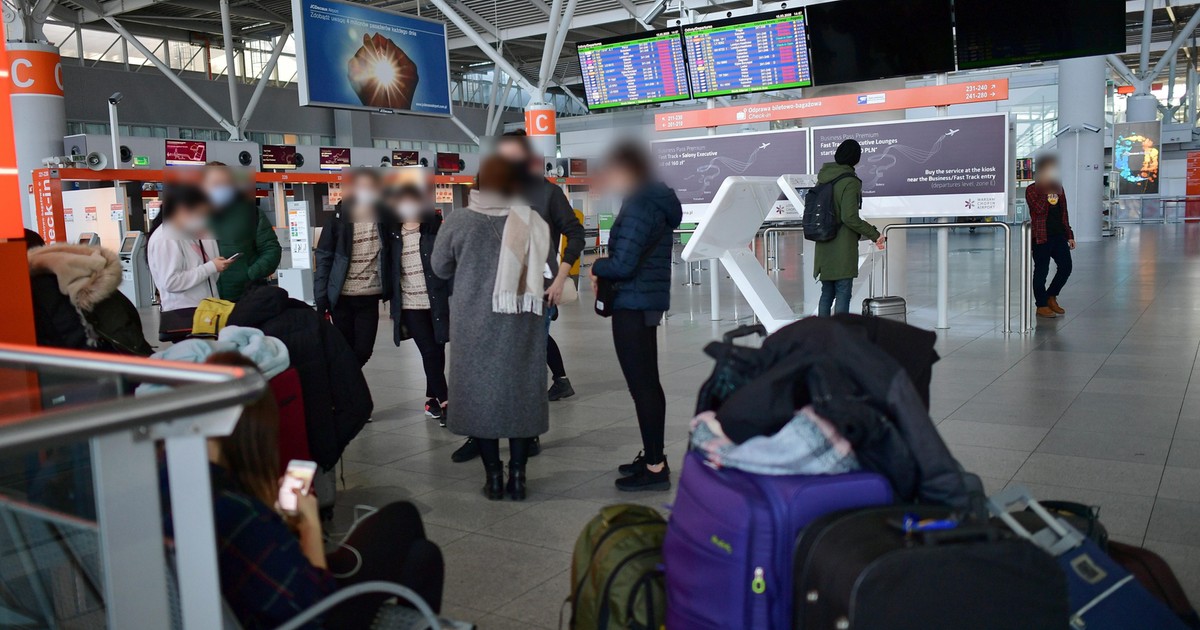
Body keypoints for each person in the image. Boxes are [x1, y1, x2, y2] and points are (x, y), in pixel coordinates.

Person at [161, 352, 443, 630]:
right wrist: (308, 526)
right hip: (314, 612)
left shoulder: (167, 481)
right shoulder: (239, 513)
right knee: (403, 519)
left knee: (423, 555)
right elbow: (317, 607)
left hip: (254, 603)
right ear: (252, 428)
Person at [450, 131, 583, 462]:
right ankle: (480, 435)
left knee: (526, 363)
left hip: (535, 294)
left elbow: (575, 233)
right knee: (484, 366)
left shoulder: (547, 193)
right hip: (490, 297)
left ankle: (527, 432)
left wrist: (561, 277)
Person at [431, 156, 550, 501]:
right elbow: (546, 265)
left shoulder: (459, 221)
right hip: (520, 321)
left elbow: (439, 267)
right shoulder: (530, 220)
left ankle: (494, 478)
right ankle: (519, 477)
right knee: (518, 396)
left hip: (474, 322)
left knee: (480, 399)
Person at [589, 142, 682, 492]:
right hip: (644, 300)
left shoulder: (641, 203)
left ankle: (656, 466)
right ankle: (653, 455)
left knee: (642, 385)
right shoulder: (653, 200)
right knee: (646, 383)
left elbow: (624, 264)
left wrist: (597, 265)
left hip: (634, 302)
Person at [383, 182, 450, 423]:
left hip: (436, 300)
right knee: (429, 351)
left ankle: (431, 398)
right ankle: (445, 402)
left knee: (439, 348)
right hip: (410, 304)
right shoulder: (392, 232)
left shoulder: (433, 227)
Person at [25, 229, 152, 355]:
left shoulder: (43, 289)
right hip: (118, 359)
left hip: (98, 366)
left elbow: (70, 338)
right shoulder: (81, 278)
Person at [314, 169, 386, 366]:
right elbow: (324, 259)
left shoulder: (384, 219)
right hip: (341, 297)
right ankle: (348, 390)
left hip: (369, 296)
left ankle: (345, 386)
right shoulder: (338, 219)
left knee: (363, 350)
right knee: (345, 348)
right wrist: (321, 298)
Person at [813, 139, 886, 317]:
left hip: (824, 242)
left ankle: (821, 336)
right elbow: (849, 217)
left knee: (827, 293)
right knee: (843, 292)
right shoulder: (850, 182)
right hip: (842, 247)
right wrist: (874, 234)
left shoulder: (823, 178)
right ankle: (839, 335)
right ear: (856, 158)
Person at [203, 162, 282, 302]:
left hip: (246, 297)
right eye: (216, 184)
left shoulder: (250, 213)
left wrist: (250, 274)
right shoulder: (191, 218)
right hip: (204, 300)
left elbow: (271, 249)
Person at [147, 184, 230, 315]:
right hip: (182, 313)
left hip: (207, 309)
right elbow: (171, 282)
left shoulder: (194, 232)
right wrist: (211, 267)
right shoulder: (165, 237)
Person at [1025, 155, 1075, 319]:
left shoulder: (1059, 188)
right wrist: (1047, 192)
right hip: (1041, 237)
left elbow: (1064, 214)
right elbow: (1038, 208)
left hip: (1059, 235)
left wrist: (1069, 234)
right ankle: (1041, 305)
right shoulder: (1032, 190)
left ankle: (1051, 295)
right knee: (1041, 271)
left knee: (1066, 267)